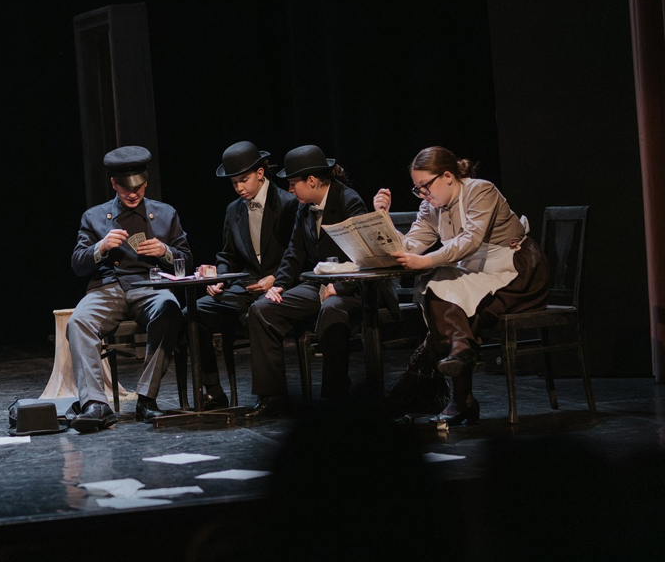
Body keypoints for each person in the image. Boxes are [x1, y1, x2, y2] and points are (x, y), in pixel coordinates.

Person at [372, 146, 550, 425]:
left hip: (517, 271)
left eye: (425, 186)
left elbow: (470, 241)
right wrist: (383, 218)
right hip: (477, 273)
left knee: (456, 307)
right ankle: (459, 354)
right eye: (417, 189)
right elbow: (410, 245)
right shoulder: (430, 206)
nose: (423, 194)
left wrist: (426, 260)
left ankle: (460, 391)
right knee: (436, 284)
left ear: (447, 176)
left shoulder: (481, 191)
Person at [68, 146, 192, 432]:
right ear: (114, 184)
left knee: (170, 310)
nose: (132, 194)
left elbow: (187, 262)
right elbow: (77, 264)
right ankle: (95, 404)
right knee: (78, 322)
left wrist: (165, 251)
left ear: (145, 183)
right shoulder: (94, 217)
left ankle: (146, 398)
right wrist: (100, 247)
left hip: (151, 286)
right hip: (107, 289)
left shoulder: (166, 214)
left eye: (137, 188)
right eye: (126, 188)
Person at [245, 145, 372, 417]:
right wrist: (279, 285)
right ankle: (272, 395)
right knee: (262, 309)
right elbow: (294, 252)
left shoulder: (348, 200)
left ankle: (335, 394)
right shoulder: (304, 208)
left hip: (355, 286)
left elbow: (365, 254)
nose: (290, 190)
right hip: (318, 285)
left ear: (311, 181)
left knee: (332, 308)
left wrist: (341, 285)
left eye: (293, 183)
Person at [190, 142, 296, 408]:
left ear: (260, 173)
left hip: (281, 287)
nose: (239, 188)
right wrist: (219, 279)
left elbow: (299, 253)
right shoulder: (233, 210)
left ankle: (271, 396)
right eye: (234, 182)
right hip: (246, 289)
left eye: (243, 180)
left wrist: (276, 277)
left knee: (260, 312)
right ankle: (214, 391)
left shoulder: (289, 204)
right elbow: (227, 256)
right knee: (193, 313)